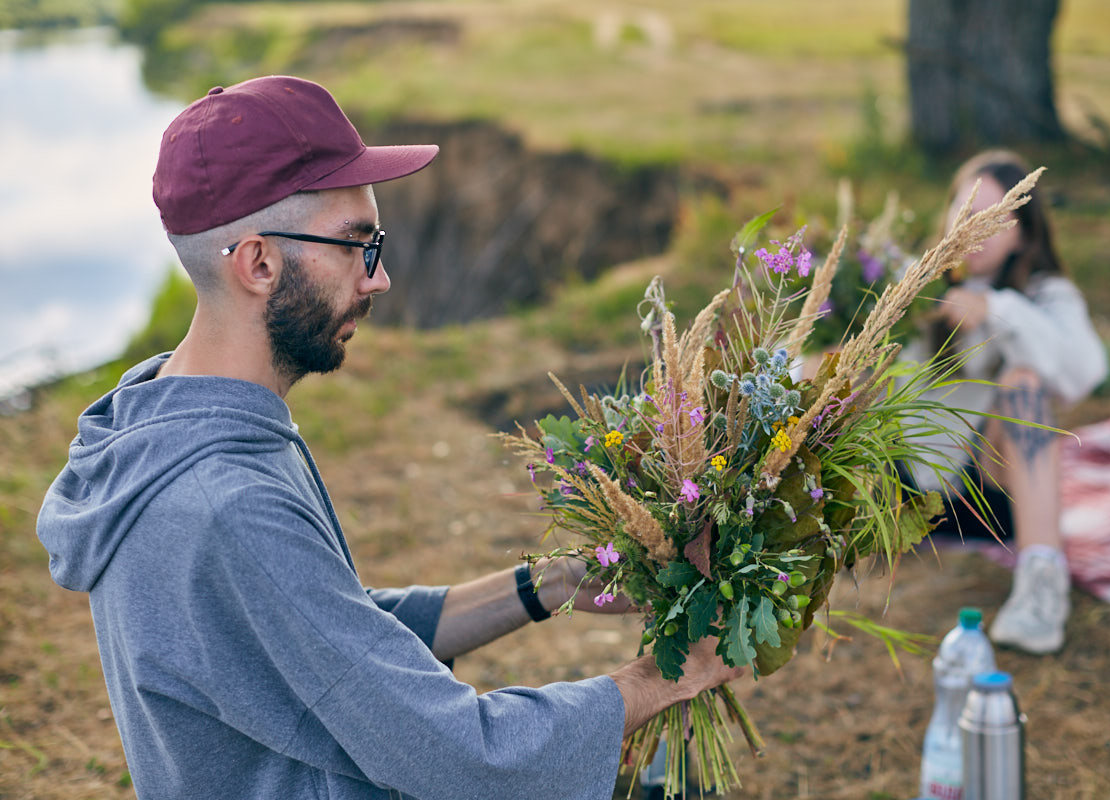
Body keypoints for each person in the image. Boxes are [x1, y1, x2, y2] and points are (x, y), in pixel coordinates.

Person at [36, 75, 741, 799]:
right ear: (258, 263)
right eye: (355, 245)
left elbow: (331, 636)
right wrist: (665, 677)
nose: (380, 279)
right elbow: (464, 758)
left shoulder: (171, 419)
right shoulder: (227, 500)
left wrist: (551, 583)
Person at [905, 150, 1108, 655]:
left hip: (988, 494)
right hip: (905, 484)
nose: (973, 230)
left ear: (1021, 234)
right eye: (965, 212)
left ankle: (1041, 583)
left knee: (1023, 385)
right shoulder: (917, 278)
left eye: (993, 220)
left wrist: (997, 310)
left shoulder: (1043, 295)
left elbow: (1087, 371)